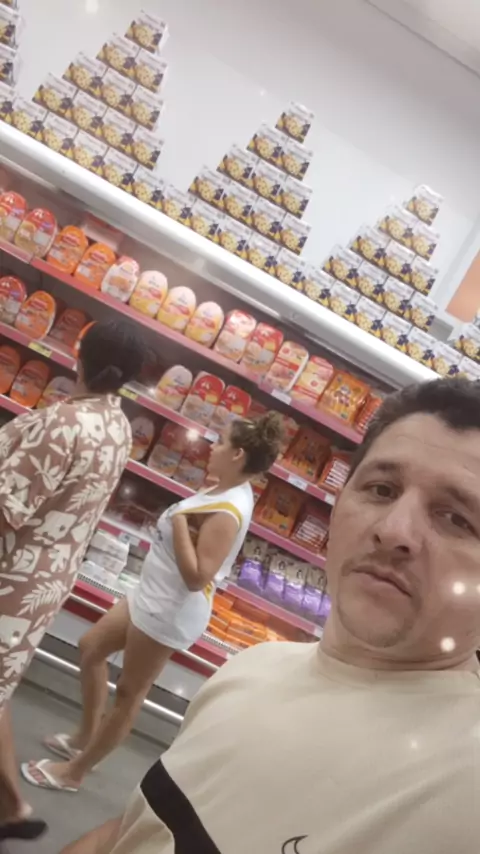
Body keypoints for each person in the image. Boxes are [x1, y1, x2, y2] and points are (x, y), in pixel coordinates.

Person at [60, 377, 480, 854]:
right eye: (382, 489)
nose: (394, 530)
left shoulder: (465, 795)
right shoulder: (251, 668)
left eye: (457, 518)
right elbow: (145, 825)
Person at [23, 412, 283, 794]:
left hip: (168, 610)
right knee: (91, 647)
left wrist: (179, 525)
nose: (212, 446)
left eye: (221, 441)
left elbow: (198, 577)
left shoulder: (227, 511)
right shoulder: (225, 489)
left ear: (237, 454)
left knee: (129, 693)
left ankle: (74, 772)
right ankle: (85, 738)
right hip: (150, 593)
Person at [0, 319, 144, 843]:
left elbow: (6, 511)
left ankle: (13, 808)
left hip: (12, 572)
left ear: (78, 355)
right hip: (48, 575)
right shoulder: (118, 425)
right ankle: (12, 808)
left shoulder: (63, 423)